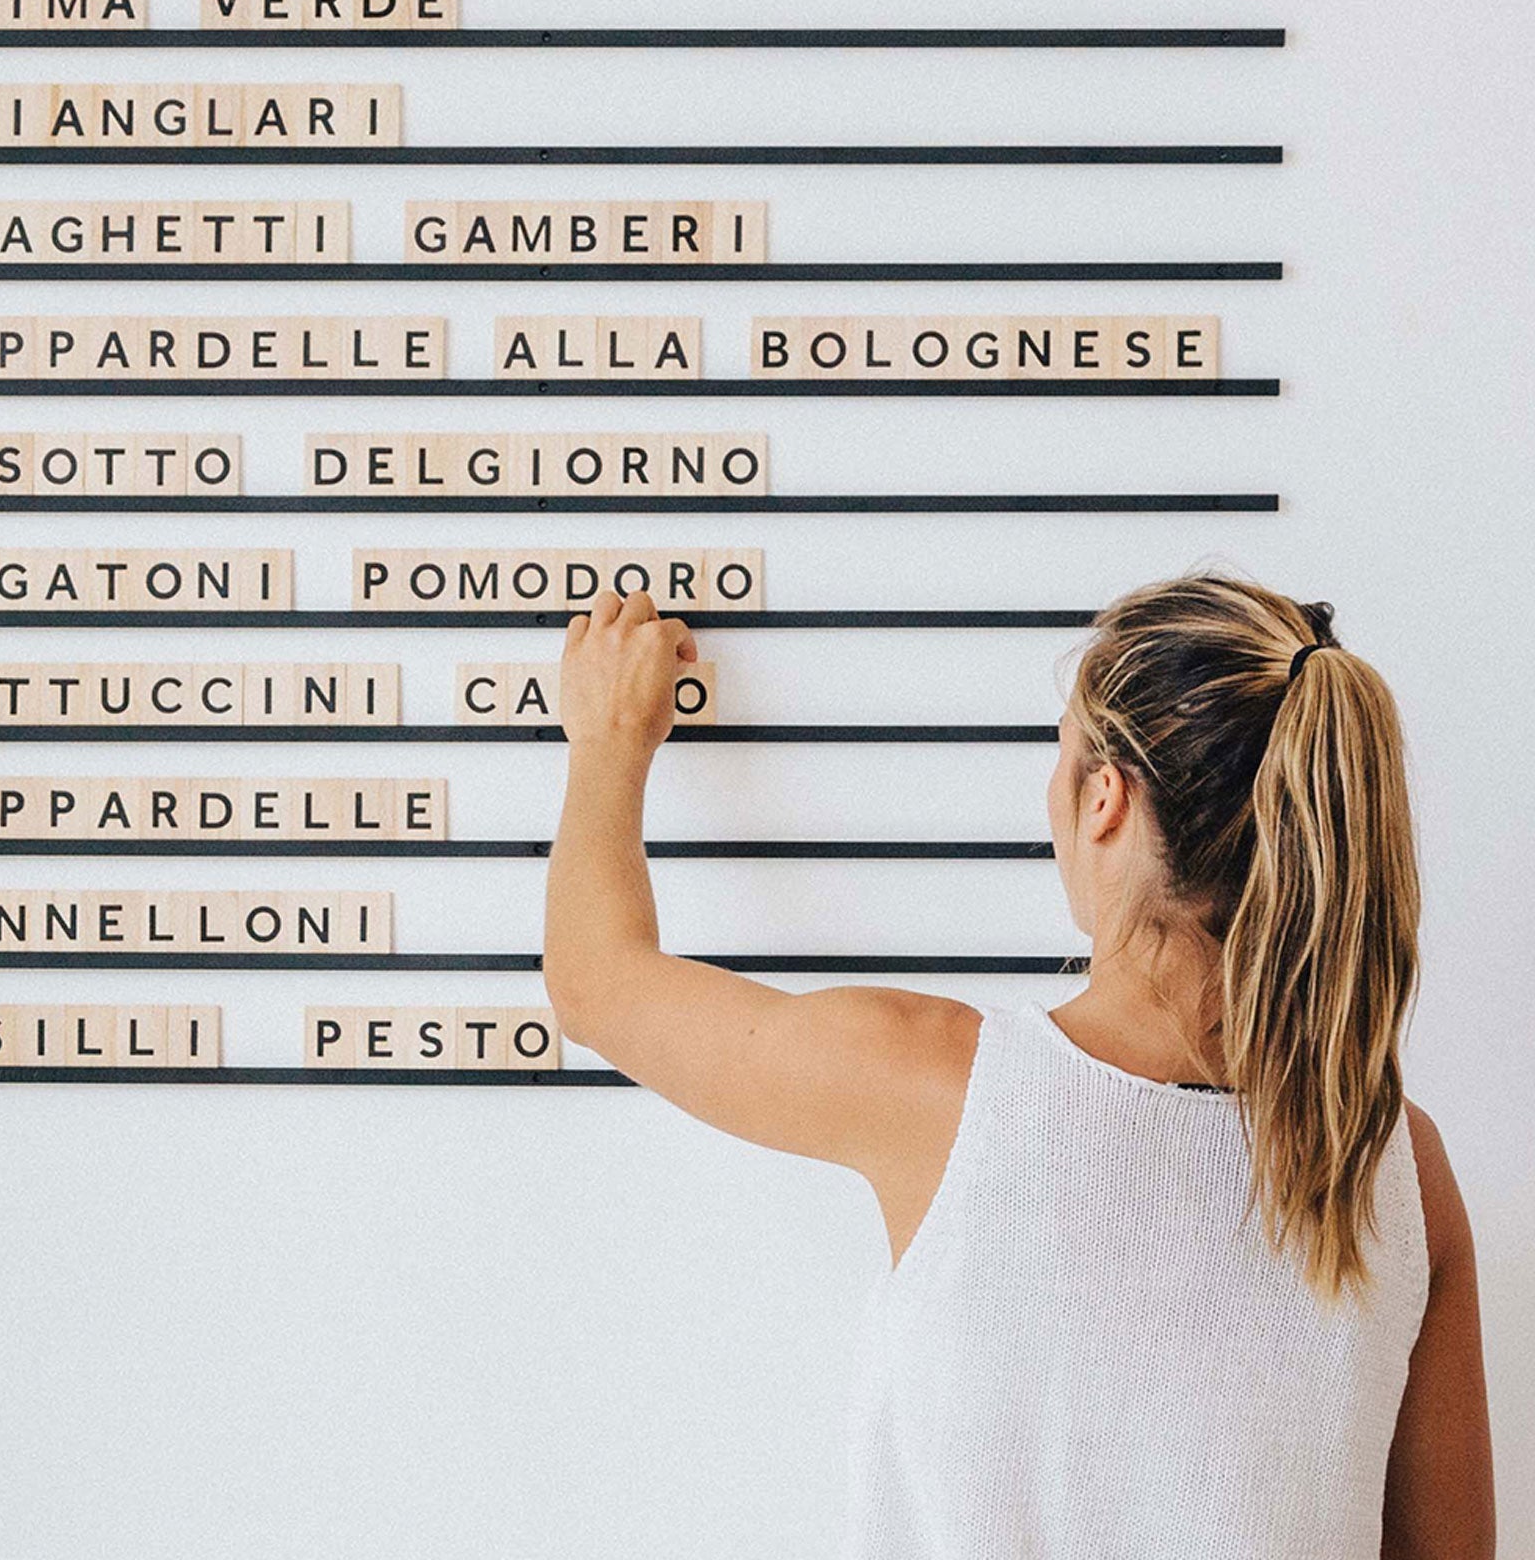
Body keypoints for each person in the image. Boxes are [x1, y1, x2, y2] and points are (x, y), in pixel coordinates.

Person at [543, 569, 1493, 1556]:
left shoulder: (942, 1086)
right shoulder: (1395, 1166)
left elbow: (595, 982)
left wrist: (608, 741)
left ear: (1103, 800)